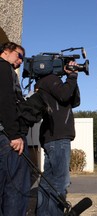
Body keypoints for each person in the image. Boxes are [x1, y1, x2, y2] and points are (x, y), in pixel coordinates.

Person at [35, 61, 80, 215]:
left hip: (53, 137)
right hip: (58, 138)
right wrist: (72, 77)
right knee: (60, 182)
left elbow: (74, 101)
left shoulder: (47, 82)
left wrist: (72, 77)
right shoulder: (49, 79)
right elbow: (64, 94)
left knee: (48, 183)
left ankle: (43, 213)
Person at [0, 42, 31, 215]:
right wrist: (14, 134)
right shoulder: (4, 68)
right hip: (7, 136)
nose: (20, 61)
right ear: (6, 51)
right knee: (15, 188)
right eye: (19, 55)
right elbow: (6, 101)